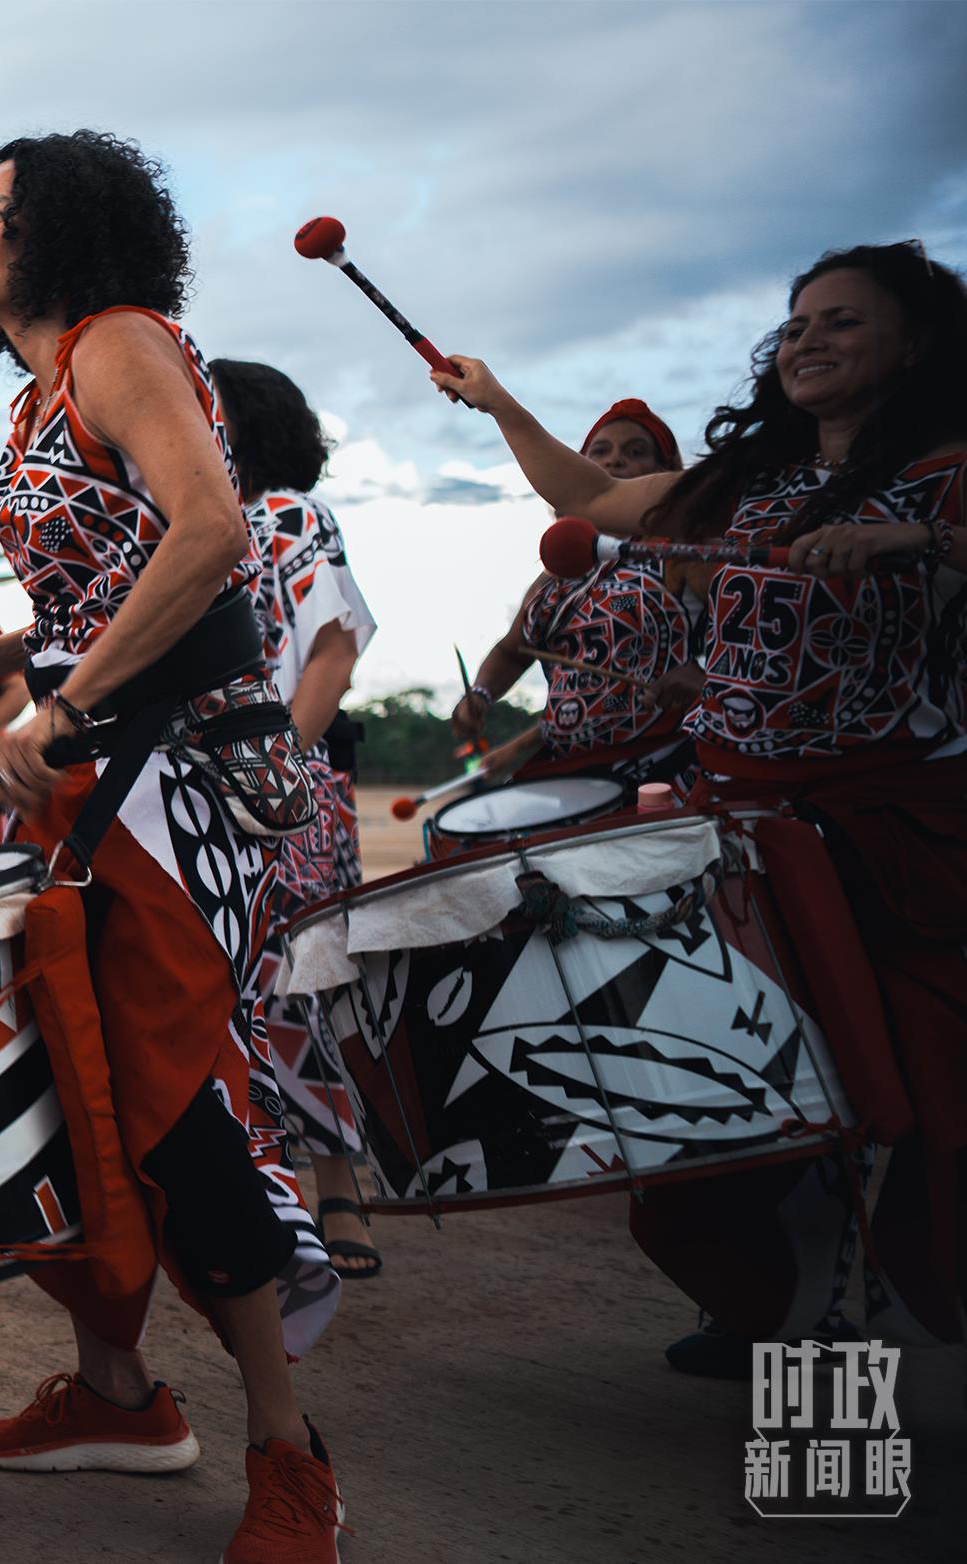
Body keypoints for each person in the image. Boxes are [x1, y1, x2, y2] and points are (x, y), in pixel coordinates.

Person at [0, 130, 344, 1563]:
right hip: (98, 775)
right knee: (63, 1085)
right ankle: (117, 1396)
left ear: (69, 229)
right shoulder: (42, 392)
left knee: (169, 1104)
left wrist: (67, 703)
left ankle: (289, 1450)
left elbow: (209, 533)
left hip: (174, 783)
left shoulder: (118, 341)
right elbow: (101, 579)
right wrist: (2, 656)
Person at [437, 239, 965, 1363]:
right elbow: (588, 496)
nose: (808, 340)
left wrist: (918, 538)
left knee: (917, 1101)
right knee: (732, 1093)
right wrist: (498, 401)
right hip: (733, 838)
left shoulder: (948, 469)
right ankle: (790, 1307)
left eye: (843, 320)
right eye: (797, 323)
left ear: (918, 343)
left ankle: (877, 1306)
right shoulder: (748, 482)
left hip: (896, 844)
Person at [210, 358, 382, 1280]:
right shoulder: (194, 523)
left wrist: (273, 776)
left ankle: (339, 1185)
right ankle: (254, 1186)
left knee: (302, 986)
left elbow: (332, 650)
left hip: (284, 794)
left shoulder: (290, 516)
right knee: (230, 992)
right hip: (210, 792)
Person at [451, 399, 704, 785]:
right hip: (569, 771)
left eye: (635, 452)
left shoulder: (684, 553)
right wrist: (481, 695)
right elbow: (512, 651)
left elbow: (748, 632)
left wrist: (703, 672)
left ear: (665, 473)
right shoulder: (554, 575)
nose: (614, 460)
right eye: (599, 452)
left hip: (665, 766)